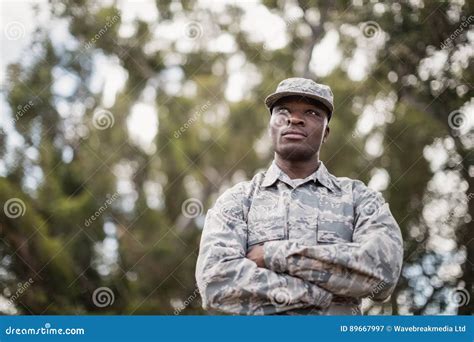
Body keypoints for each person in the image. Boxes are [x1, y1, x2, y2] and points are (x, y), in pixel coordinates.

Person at [195, 77, 403, 315]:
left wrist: (274, 255)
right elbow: (215, 284)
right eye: (283, 111)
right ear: (271, 125)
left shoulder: (360, 200)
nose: (294, 119)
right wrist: (321, 294)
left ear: (326, 132)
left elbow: (383, 274)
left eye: (312, 113)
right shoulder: (237, 201)